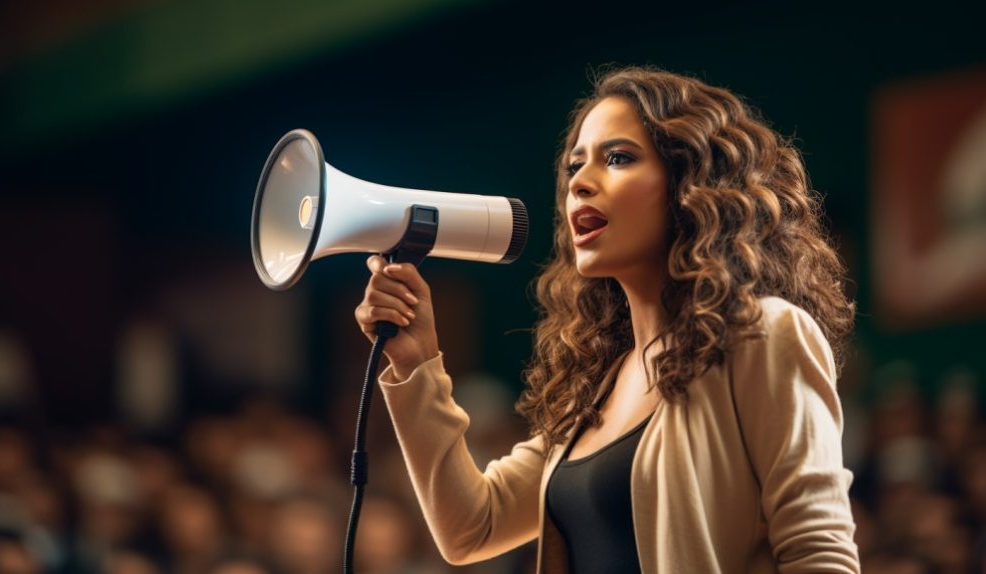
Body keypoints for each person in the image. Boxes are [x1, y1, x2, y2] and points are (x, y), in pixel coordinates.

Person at [355, 67, 861, 574]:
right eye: (575, 165)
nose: (580, 182)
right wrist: (417, 363)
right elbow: (473, 527)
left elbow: (820, 556)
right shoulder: (598, 387)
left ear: (691, 183)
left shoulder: (764, 334)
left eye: (618, 158)